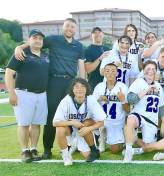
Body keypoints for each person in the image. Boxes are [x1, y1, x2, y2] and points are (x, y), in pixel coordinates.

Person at [14, 18, 86, 159]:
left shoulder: (79, 46)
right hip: (54, 82)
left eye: (72, 27)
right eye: (67, 26)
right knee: (51, 116)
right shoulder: (53, 39)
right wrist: (19, 48)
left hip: (71, 83)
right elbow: (34, 44)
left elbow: (81, 66)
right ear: (63, 28)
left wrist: (82, 83)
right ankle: (47, 149)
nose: (69, 29)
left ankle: (70, 146)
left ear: (75, 29)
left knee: (71, 114)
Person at [5, 29, 49, 163]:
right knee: (24, 124)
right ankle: (25, 151)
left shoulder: (46, 55)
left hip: (41, 94)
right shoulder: (21, 53)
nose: (38, 40)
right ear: (29, 40)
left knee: (36, 124)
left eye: (40, 38)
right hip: (24, 93)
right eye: (34, 38)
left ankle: (34, 149)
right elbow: (8, 72)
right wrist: (11, 93)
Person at [53, 78, 105, 166]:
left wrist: (88, 129)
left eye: (83, 86)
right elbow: (55, 122)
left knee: (87, 122)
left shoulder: (91, 99)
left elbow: (101, 122)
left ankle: (93, 150)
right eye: (76, 86)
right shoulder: (66, 100)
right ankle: (66, 155)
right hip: (70, 130)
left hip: (84, 130)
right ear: (72, 89)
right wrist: (73, 123)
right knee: (59, 129)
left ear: (87, 89)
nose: (79, 89)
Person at [124, 61, 164, 162]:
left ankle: (135, 144)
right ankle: (128, 151)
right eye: (148, 69)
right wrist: (145, 91)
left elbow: (161, 106)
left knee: (148, 147)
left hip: (151, 120)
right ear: (143, 71)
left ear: (156, 72)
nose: (151, 71)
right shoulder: (138, 82)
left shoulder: (158, 86)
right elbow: (130, 100)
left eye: (153, 69)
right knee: (130, 119)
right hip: (138, 115)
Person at [92, 63, 129, 153]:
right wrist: (99, 99)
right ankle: (102, 138)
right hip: (103, 122)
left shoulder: (123, 87)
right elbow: (91, 107)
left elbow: (128, 110)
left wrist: (123, 100)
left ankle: (120, 139)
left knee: (115, 150)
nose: (110, 73)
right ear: (104, 73)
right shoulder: (99, 87)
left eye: (113, 71)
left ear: (117, 73)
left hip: (117, 123)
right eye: (107, 71)